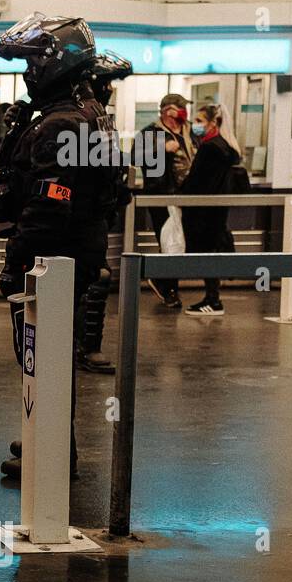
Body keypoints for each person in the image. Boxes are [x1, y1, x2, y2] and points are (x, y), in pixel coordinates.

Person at [0, 13, 119, 481]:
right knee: (47, 354)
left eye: (31, 63)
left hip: (53, 257)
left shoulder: (60, 123)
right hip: (80, 247)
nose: (27, 74)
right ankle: (45, 434)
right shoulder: (90, 114)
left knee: (41, 354)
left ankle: (52, 453)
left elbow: (50, 204)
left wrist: (16, 259)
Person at [76, 51, 134, 375]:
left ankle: (87, 346)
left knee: (96, 279)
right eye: (106, 83)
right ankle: (82, 346)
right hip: (78, 216)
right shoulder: (79, 116)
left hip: (97, 216)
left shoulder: (99, 117)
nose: (110, 89)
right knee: (92, 280)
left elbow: (109, 166)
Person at [181, 103, 244, 316]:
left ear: (213, 123)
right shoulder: (225, 147)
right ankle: (212, 298)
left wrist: (179, 192)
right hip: (216, 212)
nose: (195, 125)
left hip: (203, 213)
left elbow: (196, 180)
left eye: (200, 121)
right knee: (211, 252)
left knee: (206, 253)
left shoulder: (210, 148)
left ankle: (213, 300)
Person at [136, 93, 194, 309]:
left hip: (185, 195)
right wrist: (162, 149)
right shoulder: (150, 133)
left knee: (179, 242)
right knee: (171, 242)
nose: (184, 113)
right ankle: (170, 290)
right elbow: (136, 156)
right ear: (168, 110)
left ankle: (164, 281)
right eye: (180, 108)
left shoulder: (188, 131)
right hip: (161, 194)